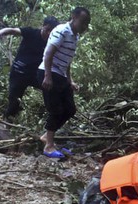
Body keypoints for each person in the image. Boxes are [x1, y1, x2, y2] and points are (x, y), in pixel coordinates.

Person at [37, 6, 90, 159]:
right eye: (83, 21)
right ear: (73, 16)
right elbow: (48, 54)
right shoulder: (62, 30)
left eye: (87, 23)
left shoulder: (75, 36)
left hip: (60, 75)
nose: (84, 26)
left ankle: (47, 136)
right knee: (56, 110)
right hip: (49, 73)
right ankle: (48, 146)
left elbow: (67, 61)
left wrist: (70, 81)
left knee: (70, 109)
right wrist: (47, 76)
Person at [0, 16, 59, 121]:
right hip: (18, 73)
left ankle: (52, 115)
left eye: (51, 31)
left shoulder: (53, 41)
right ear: (42, 26)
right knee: (14, 102)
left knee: (50, 88)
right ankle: (6, 119)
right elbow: (13, 30)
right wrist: (0, 33)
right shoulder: (31, 32)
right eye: (47, 29)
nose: (49, 33)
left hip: (35, 75)